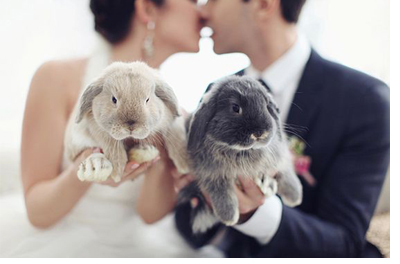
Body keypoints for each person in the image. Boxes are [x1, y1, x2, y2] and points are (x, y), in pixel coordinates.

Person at [172, 0, 390, 258]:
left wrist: (258, 214)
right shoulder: (216, 93)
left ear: (263, 4)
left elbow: (344, 243)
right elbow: (190, 229)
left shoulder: (365, 101)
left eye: (214, 0)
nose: (203, 10)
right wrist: (195, 190)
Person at [0, 0, 203, 257]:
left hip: (137, 247)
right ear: (147, 9)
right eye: (194, 1)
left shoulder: (169, 110)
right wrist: (86, 168)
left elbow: (150, 216)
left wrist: (162, 158)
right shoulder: (56, 78)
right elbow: (38, 212)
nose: (203, 11)